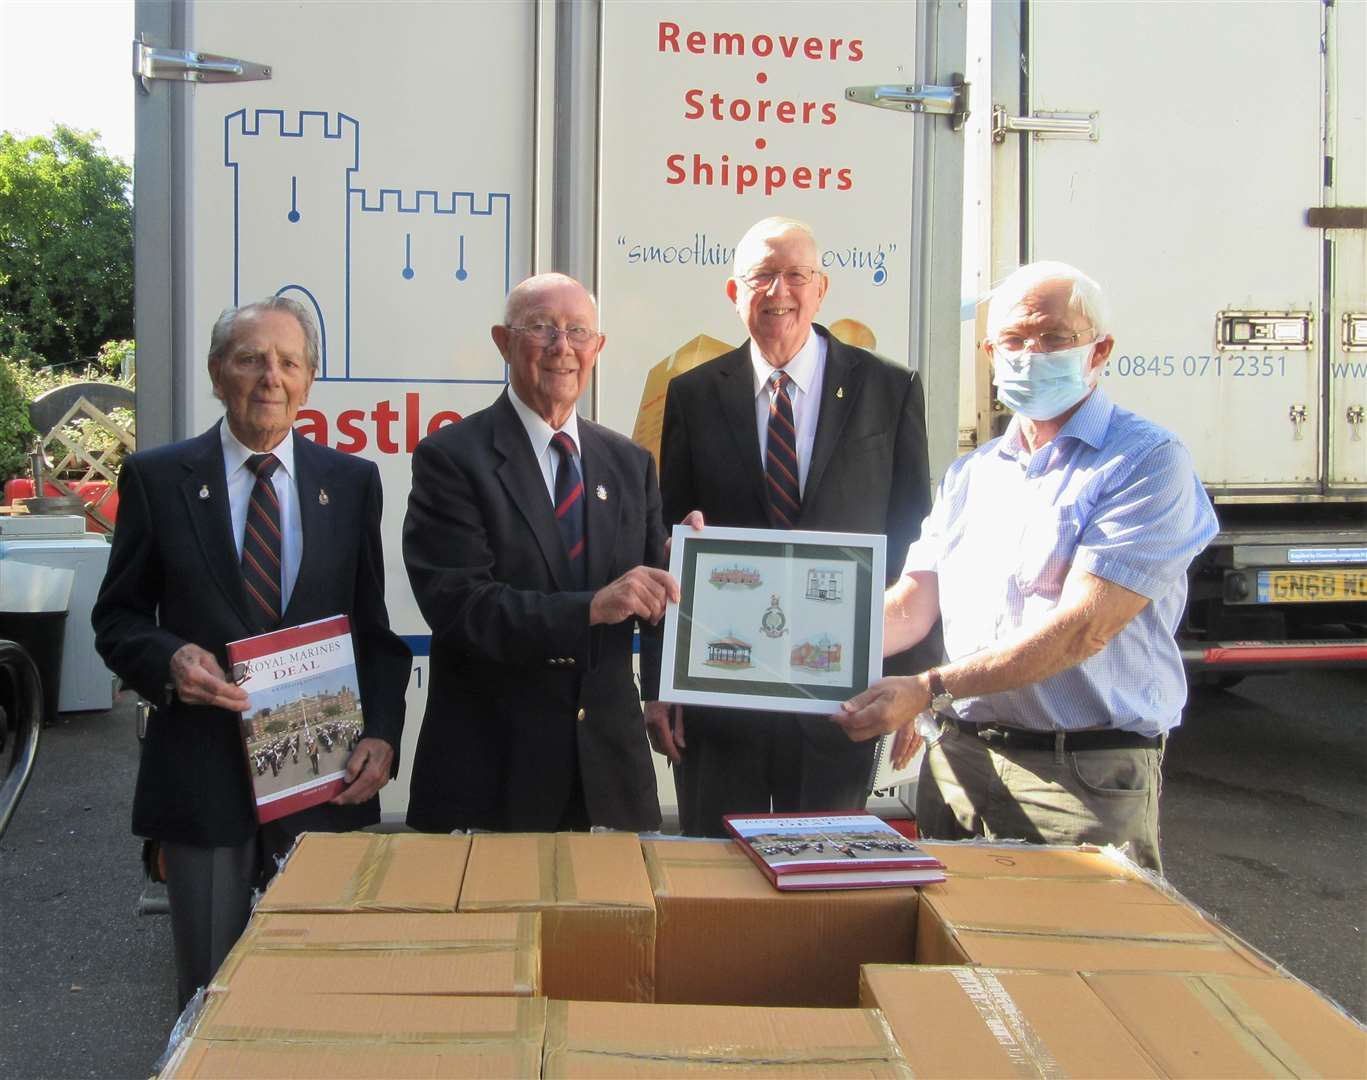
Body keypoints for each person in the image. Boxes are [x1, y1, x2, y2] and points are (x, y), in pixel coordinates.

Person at [833, 261, 1218, 873]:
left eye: (1055, 337)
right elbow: (910, 605)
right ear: (990, 351)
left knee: (1073, 958)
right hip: (957, 767)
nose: (1031, 353)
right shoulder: (973, 473)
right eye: (1014, 339)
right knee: (951, 957)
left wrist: (928, 688)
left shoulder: (1146, 462)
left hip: (1077, 777)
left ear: (1100, 350)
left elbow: (1084, 628)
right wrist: (783, 647)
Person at [92, 296, 411, 1006]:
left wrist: (384, 736)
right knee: (211, 991)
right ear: (215, 374)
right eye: (250, 359)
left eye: (287, 361)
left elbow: (374, 633)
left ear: (308, 380)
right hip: (204, 783)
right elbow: (115, 619)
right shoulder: (157, 479)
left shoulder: (351, 483)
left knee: (319, 991)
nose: (270, 376)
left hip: (323, 782)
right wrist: (167, 660)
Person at [653, 216, 933, 837]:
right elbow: (666, 544)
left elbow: (919, 543)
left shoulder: (890, 389)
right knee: (715, 888)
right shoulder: (694, 395)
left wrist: (916, 682)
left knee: (823, 883)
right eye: (761, 276)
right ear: (735, 292)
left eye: (795, 275)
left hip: (840, 702)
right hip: (722, 700)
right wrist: (663, 682)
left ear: (821, 287)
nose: (779, 291)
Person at [403, 272, 678, 833]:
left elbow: (654, 610)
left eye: (579, 331)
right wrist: (592, 607)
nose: (563, 348)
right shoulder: (452, 459)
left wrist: (692, 566)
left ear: (598, 349)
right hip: (494, 771)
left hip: (609, 775)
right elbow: (461, 607)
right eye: (542, 329)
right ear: (503, 342)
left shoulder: (629, 465)